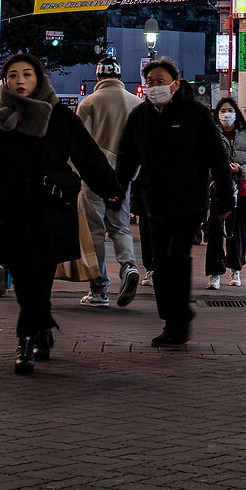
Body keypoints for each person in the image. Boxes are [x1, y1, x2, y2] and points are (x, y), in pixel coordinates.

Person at [0, 50, 118, 371]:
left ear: (39, 79)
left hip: (51, 209)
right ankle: (40, 329)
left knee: (41, 276)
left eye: (27, 74)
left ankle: (27, 338)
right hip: (11, 210)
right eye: (13, 75)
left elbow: (88, 156)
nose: (20, 81)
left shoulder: (59, 116)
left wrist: (112, 191)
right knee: (24, 276)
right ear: (5, 81)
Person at [109, 58, 228, 347]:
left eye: (160, 81)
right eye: (149, 82)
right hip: (155, 202)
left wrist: (224, 197)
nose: (154, 87)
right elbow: (127, 158)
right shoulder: (140, 116)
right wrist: (116, 192)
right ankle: (170, 318)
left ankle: (178, 321)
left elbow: (217, 157)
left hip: (189, 201)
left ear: (175, 84)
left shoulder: (195, 114)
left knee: (177, 257)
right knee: (160, 262)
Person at [75, 57, 143, 308]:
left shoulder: (89, 103)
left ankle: (98, 289)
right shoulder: (137, 104)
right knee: (120, 227)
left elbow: (80, 144)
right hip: (124, 177)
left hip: (94, 177)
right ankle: (128, 267)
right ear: (119, 76)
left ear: (98, 77)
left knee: (94, 231)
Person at [209, 95, 246, 288]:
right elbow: (203, 160)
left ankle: (235, 269)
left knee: (238, 233)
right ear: (217, 114)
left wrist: (241, 170)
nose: (226, 114)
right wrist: (219, 171)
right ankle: (215, 273)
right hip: (218, 191)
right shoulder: (211, 135)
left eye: (230, 111)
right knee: (215, 233)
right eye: (223, 111)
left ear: (236, 113)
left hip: (241, 191)